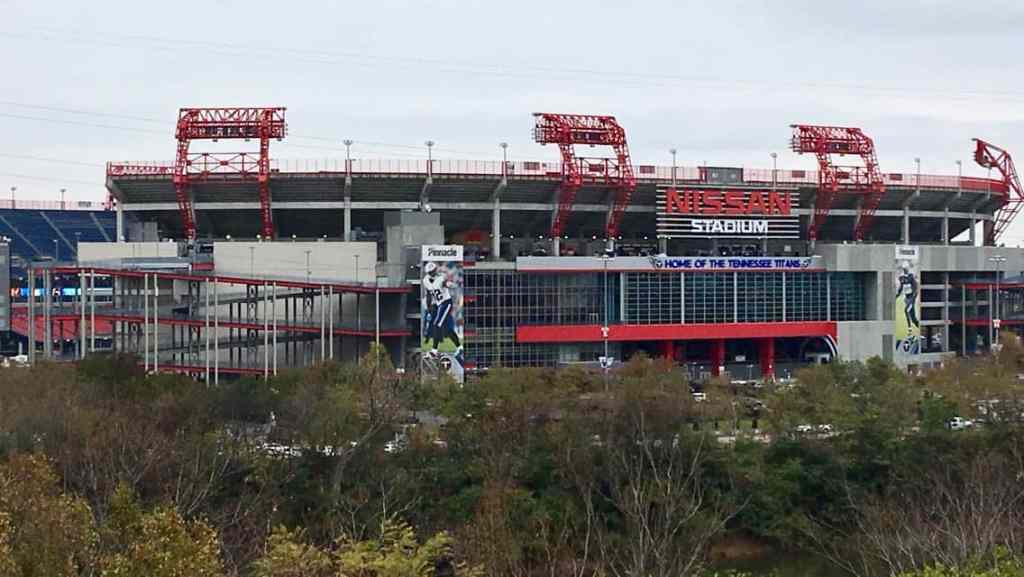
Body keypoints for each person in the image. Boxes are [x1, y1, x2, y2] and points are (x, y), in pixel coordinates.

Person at [422, 262, 462, 359]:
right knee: (447, 330)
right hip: (439, 305)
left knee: (437, 324)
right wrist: (429, 308)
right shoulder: (426, 280)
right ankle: (459, 347)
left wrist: (451, 284)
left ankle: (434, 351)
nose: (434, 273)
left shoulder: (441, 278)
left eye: (434, 270)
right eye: (432, 272)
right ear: (428, 273)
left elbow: (446, 283)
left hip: (446, 303)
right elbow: (428, 295)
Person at [896, 260, 920, 331]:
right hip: (906, 298)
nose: (905, 270)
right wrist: (896, 296)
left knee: (906, 310)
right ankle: (920, 329)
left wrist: (913, 299)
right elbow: (901, 288)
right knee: (913, 319)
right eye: (904, 269)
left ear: (908, 268)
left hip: (911, 298)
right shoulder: (901, 278)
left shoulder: (911, 277)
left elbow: (916, 289)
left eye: (906, 268)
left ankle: (909, 329)